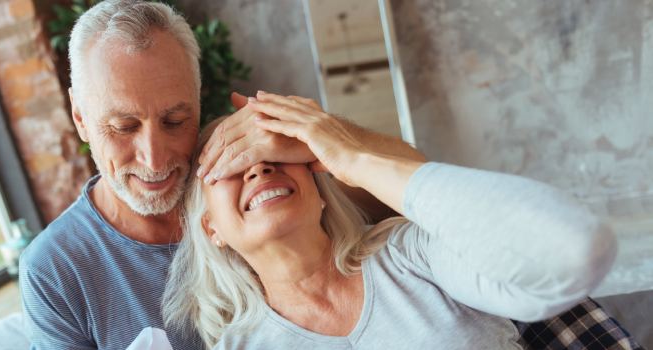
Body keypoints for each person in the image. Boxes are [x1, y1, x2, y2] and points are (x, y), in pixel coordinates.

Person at [18, 1, 424, 349]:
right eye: (123, 127)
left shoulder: (264, 182)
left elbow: (421, 188)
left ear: (197, 101)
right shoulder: (56, 270)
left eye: (175, 120)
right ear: (80, 118)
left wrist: (327, 136)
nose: (154, 158)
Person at [162, 91, 618, 349]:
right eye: (230, 165)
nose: (259, 169)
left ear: (321, 190)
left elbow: (578, 249)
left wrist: (349, 155)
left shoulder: (409, 255)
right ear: (211, 229)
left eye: (277, 154)